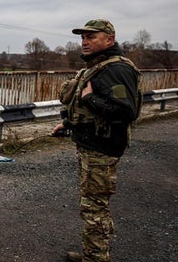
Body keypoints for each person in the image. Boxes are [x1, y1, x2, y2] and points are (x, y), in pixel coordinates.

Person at [52, 19, 141, 262]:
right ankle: (92, 253)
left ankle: (96, 258)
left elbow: (125, 112)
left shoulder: (117, 69)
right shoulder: (97, 67)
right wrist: (67, 123)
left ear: (109, 40)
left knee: (94, 207)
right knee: (91, 204)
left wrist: (90, 99)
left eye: (91, 37)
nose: (85, 41)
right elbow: (85, 111)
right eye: (83, 37)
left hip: (102, 149)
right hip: (90, 146)